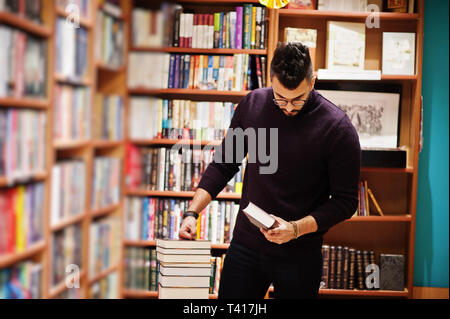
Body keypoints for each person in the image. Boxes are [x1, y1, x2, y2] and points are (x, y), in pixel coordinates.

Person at [179, 42, 361, 299]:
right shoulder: (253, 105)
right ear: (270, 80)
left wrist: (295, 229)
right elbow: (224, 163)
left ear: (313, 82)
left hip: (300, 254)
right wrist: (192, 213)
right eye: (280, 98)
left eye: (297, 99)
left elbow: (345, 202)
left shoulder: (338, 128)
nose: (287, 107)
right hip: (246, 246)